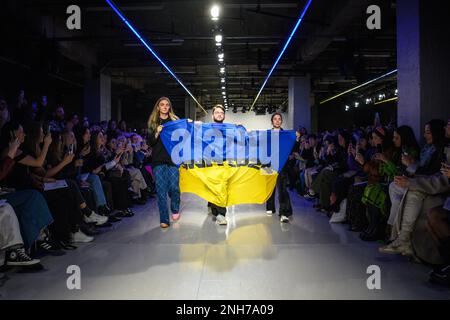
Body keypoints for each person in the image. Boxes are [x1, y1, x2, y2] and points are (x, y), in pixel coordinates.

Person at [147, 97, 181, 228]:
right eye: (162, 105)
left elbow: (182, 136)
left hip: (173, 158)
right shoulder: (153, 123)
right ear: (158, 107)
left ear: (169, 107)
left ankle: (175, 207)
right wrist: (156, 132)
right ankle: (164, 219)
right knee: (161, 190)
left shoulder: (174, 121)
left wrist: (188, 123)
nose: (165, 107)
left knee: (174, 187)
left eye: (167, 105)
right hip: (158, 159)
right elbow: (150, 142)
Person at [266, 113, 292, 223]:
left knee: (282, 188)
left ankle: (284, 213)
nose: (277, 121)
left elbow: (292, 147)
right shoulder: (267, 134)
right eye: (275, 119)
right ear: (272, 121)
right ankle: (270, 207)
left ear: (281, 121)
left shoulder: (286, 134)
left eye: (279, 119)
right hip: (269, 164)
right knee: (270, 187)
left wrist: (298, 138)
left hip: (282, 165)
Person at [206, 105, 228, 226]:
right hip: (210, 161)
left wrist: (243, 129)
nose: (219, 114)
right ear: (213, 115)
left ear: (224, 115)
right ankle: (212, 205)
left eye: (221, 113)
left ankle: (221, 214)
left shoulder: (228, 129)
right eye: (217, 112)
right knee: (212, 187)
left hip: (223, 162)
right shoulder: (207, 128)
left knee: (221, 187)